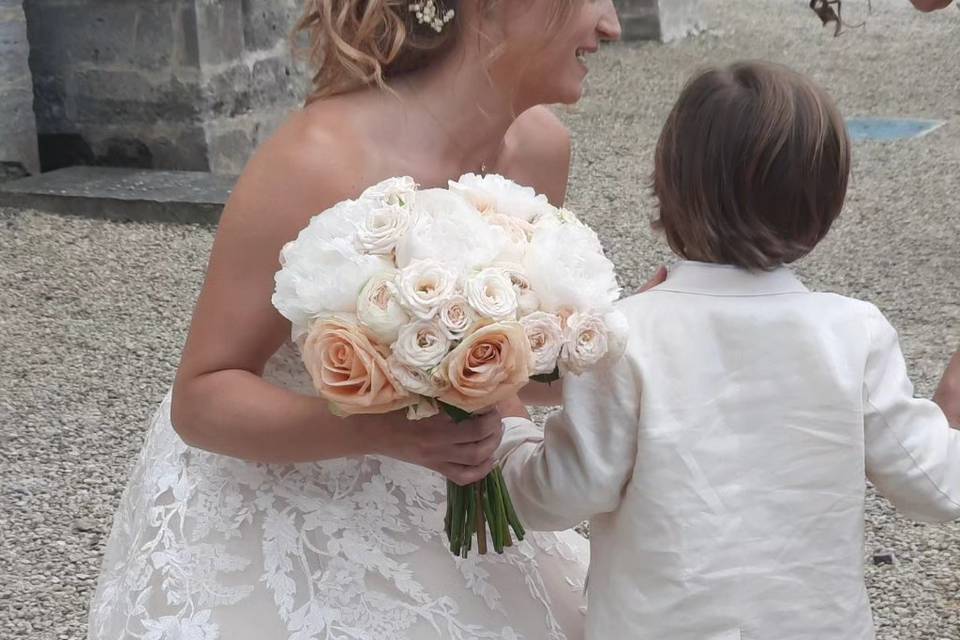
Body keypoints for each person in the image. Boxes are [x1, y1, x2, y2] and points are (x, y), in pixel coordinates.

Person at [87, 1, 625, 638]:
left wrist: (608, 347)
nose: (612, 25)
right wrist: (388, 433)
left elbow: (504, 367)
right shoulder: (316, 161)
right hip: (283, 508)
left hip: (452, 491)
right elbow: (203, 397)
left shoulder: (539, 149)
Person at [496, 61, 960, 639]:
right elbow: (937, 486)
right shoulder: (853, 332)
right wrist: (950, 401)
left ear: (668, 186)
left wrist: (506, 443)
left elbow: (563, 494)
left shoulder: (627, 334)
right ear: (826, 204)